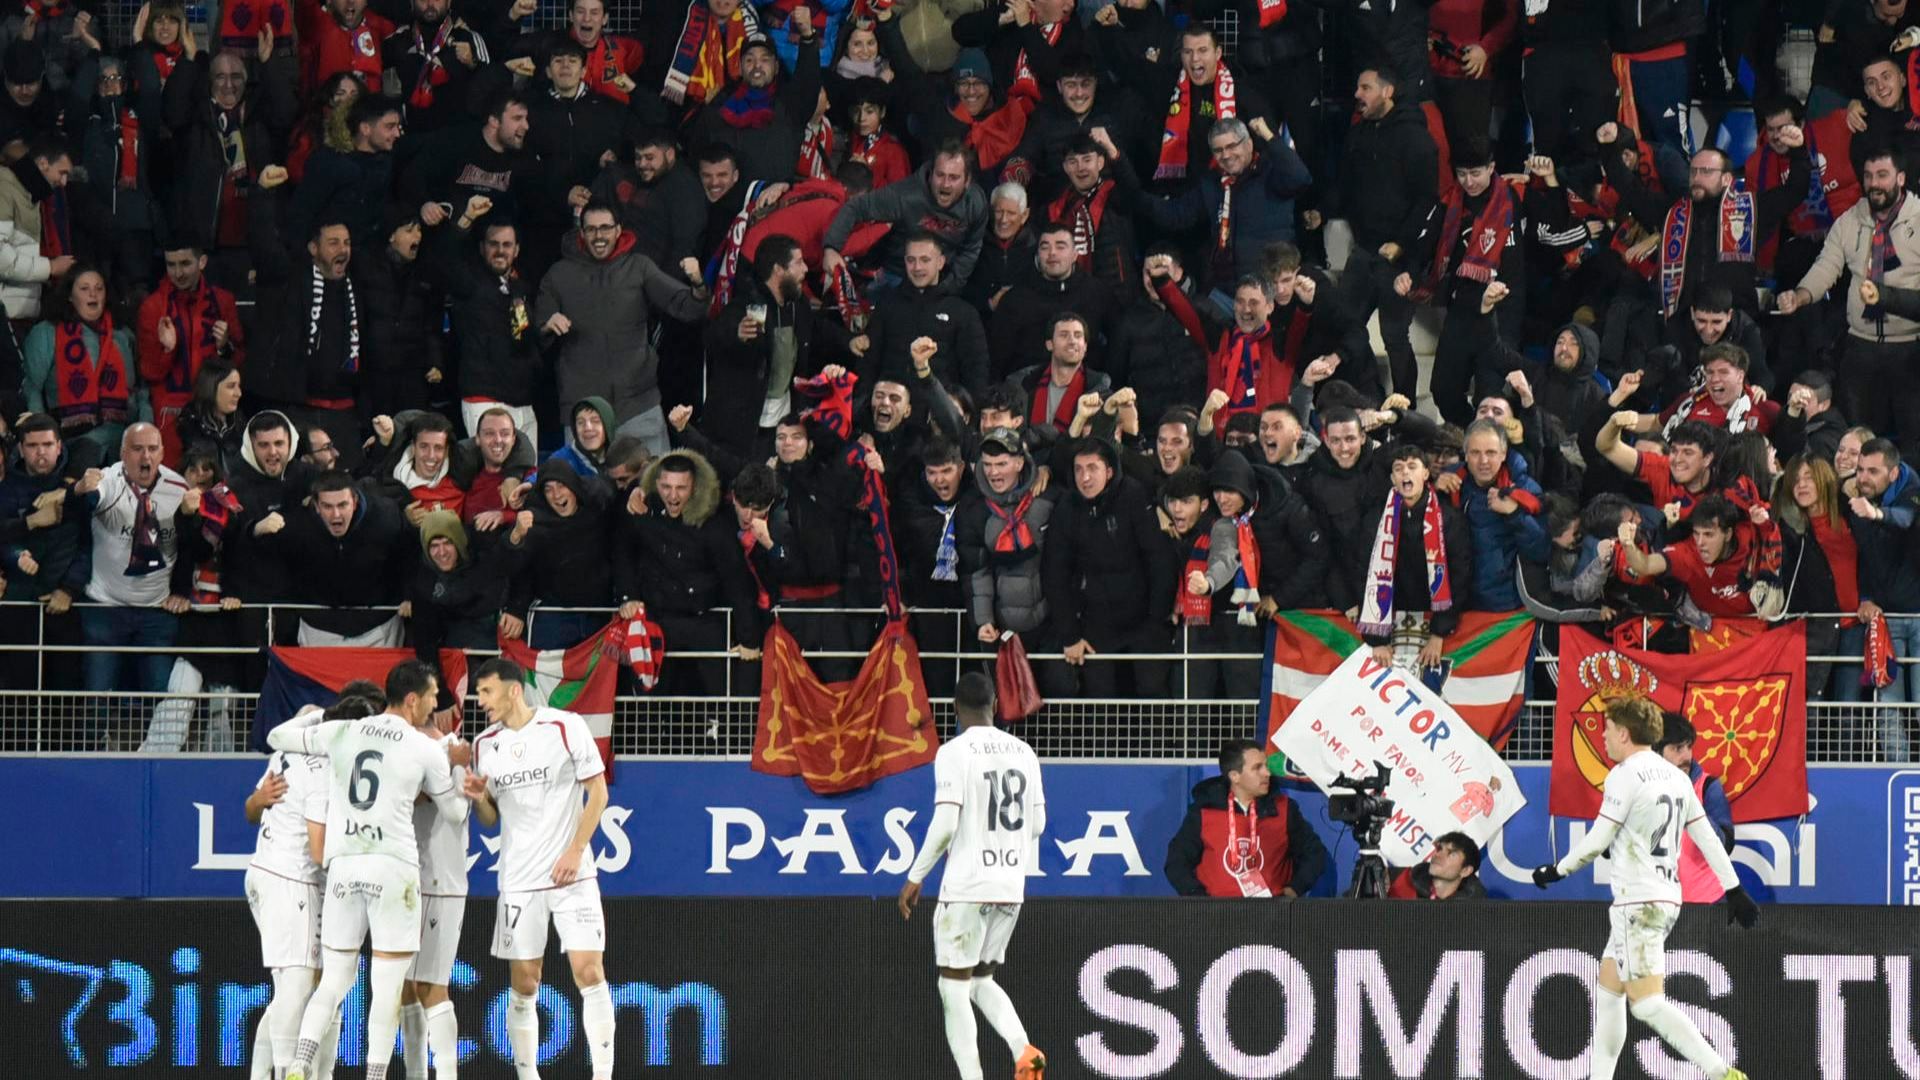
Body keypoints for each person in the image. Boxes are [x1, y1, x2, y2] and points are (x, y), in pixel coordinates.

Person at [1532, 696, 1759, 1080]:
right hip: (1665, 898)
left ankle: (1722, 1072)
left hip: (1636, 903)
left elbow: (1597, 841)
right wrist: (1734, 889)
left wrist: (1556, 870)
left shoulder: (1625, 775)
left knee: (1647, 1004)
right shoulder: (1677, 778)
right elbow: (1708, 838)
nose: (1603, 737)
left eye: (1607, 729)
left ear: (1624, 733)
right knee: (1609, 990)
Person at [268, 660, 465, 1080]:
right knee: (387, 987)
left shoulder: (344, 731)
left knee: (333, 980)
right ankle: (375, 1075)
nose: (435, 704)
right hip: (394, 870)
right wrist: (458, 770)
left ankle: (301, 1060)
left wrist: (322, 716)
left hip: (344, 867)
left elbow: (276, 736)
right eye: (432, 696)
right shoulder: (424, 747)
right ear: (412, 700)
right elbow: (454, 812)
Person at [466, 657, 617, 1080]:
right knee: (525, 983)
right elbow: (491, 819)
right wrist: (479, 799)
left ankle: (603, 1075)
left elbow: (598, 793)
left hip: (572, 876)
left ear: (514, 690)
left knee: (590, 972)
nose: (481, 702)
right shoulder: (484, 745)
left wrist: (575, 851)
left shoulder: (564, 726)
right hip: (519, 880)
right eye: (478, 694)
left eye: (487, 692)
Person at [897, 671, 1048, 1080]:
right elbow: (1037, 824)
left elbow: (946, 823)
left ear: (954, 709)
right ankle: (1025, 1050)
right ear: (995, 706)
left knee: (952, 985)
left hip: (967, 886)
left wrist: (916, 876)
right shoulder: (1024, 752)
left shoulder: (954, 752)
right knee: (980, 980)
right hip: (1010, 886)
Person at [242, 694, 361, 1080]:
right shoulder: (321, 768)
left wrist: (258, 799)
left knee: (304, 991)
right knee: (297, 987)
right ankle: (284, 1072)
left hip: (267, 875)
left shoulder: (284, 755)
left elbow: (250, 809)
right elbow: (319, 850)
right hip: (291, 881)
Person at [536, 201, 709, 455]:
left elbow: (689, 308)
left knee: (651, 480)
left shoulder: (639, 267)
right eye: (591, 229)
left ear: (618, 230)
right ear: (581, 233)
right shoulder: (558, 274)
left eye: (605, 228)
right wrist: (547, 326)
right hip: (583, 412)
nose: (598, 236)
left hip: (638, 407)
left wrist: (698, 284)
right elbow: (535, 333)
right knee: (584, 481)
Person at [1323, 66, 1437, 401]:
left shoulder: (1415, 138)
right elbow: (1346, 185)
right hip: (1364, 250)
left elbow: (1427, 201)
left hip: (1400, 258)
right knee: (1345, 328)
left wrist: (1401, 244)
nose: (1357, 95)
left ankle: (1404, 407)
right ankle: (1359, 397)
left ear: (1387, 92)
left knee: (1394, 334)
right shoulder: (1358, 134)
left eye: (1366, 88)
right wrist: (1324, 211)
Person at [81, 422, 193, 749]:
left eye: (152, 449)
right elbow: (91, 500)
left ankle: (157, 761)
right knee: (96, 695)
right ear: (122, 453)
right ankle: (94, 758)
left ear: (162, 452)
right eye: (137, 449)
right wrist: (83, 491)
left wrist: (182, 591)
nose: (146, 457)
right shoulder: (108, 480)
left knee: (160, 696)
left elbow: (190, 546)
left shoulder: (178, 487)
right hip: (105, 607)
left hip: (157, 611)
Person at [399, 662, 470, 1080]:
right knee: (404, 986)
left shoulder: (452, 749)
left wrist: (448, 761)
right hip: (408, 880)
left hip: (440, 879)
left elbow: (456, 810)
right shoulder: (402, 748)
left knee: (432, 986)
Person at [1164, 737, 1327, 898]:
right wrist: (1198, 899)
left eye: (1266, 766)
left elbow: (1314, 853)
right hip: (1217, 912)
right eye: (1257, 768)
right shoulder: (1205, 810)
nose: (1267, 773)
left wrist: (1295, 889)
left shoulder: (1284, 809)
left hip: (1272, 911)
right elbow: (1177, 861)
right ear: (1235, 776)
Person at [1359, 443, 1472, 671]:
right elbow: (1362, 572)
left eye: (1412, 466)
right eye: (1398, 468)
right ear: (1392, 478)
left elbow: (1460, 575)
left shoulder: (1449, 518)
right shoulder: (1376, 519)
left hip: (1435, 620)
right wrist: (1376, 639)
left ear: (1426, 474)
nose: (1405, 473)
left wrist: (1440, 632)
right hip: (1390, 622)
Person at [1651, 713, 1736, 905]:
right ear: (1657, 751)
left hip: (1706, 902)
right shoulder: (1643, 789)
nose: (1686, 756)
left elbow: (1726, 846)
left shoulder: (1708, 787)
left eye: (1689, 747)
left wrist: (1691, 802)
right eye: (1678, 748)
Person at [1388, 831, 1487, 900]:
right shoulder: (1399, 879)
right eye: (1439, 849)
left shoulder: (1475, 913)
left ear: (1465, 871)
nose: (1438, 855)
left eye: (1452, 854)